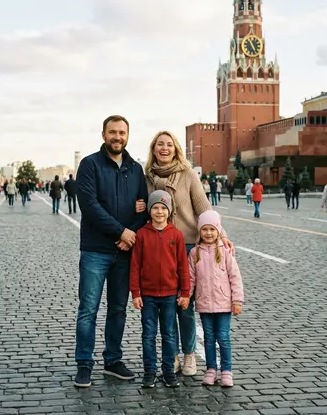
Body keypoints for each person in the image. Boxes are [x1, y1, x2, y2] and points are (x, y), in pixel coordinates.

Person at [141, 130, 235, 377]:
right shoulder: (147, 177)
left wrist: (221, 234)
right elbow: (146, 209)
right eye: (159, 144)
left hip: (188, 247)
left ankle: (189, 355)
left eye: (169, 145)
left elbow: (204, 208)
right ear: (153, 149)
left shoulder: (188, 174)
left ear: (176, 149)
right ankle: (171, 356)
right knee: (166, 307)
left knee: (185, 305)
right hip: (160, 248)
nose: (164, 148)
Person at [74, 115, 148, 388]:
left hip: (125, 252)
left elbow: (144, 207)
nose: (118, 137)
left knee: (118, 309)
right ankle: (84, 364)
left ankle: (113, 360)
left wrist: (131, 233)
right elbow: (90, 206)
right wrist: (121, 232)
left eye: (122, 132)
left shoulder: (135, 168)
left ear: (128, 135)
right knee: (88, 309)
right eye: (113, 132)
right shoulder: (90, 164)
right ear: (103, 134)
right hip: (96, 250)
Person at [130, 190, 189, 389]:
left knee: (169, 334)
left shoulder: (176, 235)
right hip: (147, 295)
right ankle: (149, 371)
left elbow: (182, 266)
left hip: (170, 295)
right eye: (155, 207)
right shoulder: (141, 235)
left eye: (163, 208)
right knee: (148, 334)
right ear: (149, 210)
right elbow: (135, 266)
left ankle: (168, 371)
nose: (159, 211)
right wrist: (136, 293)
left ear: (169, 211)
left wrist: (185, 292)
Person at [189, 210, 243, 387]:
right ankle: (211, 369)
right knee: (209, 338)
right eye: (205, 229)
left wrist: (237, 301)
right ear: (200, 231)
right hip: (204, 304)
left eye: (212, 229)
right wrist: (186, 296)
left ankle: (226, 370)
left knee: (224, 337)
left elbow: (235, 277)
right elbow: (191, 278)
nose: (208, 233)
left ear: (218, 230)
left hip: (224, 304)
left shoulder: (225, 251)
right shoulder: (194, 253)